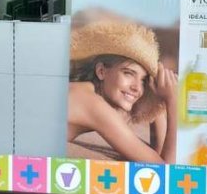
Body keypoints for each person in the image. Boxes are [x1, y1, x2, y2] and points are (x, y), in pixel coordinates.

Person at [67, 20, 178, 164]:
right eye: (128, 73)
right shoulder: (94, 105)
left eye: (144, 80)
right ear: (101, 71)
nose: (137, 87)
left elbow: (153, 154)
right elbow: (165, 171)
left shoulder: (88, 94)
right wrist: (174, 101)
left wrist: (157, 101)